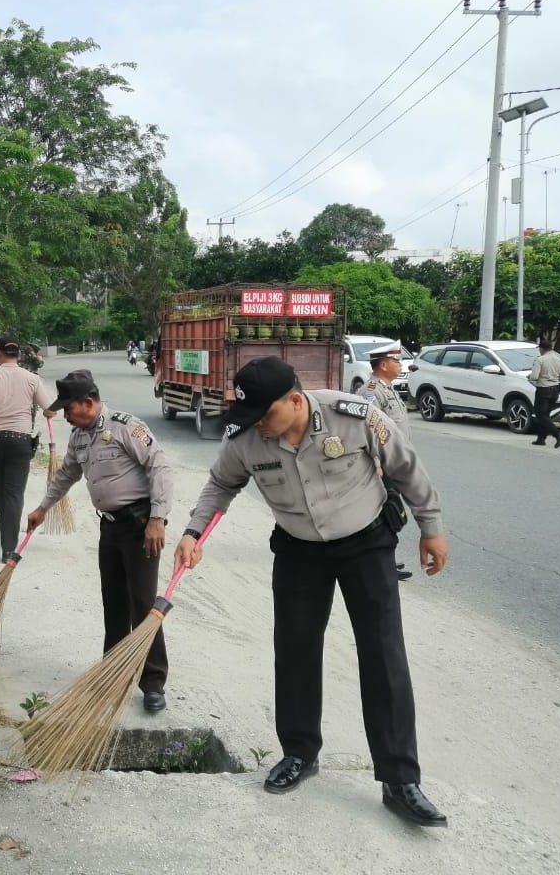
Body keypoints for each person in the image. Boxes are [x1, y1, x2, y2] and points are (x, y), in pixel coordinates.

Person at [173, 355, 449, 828]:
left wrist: (432, 527)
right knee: (296, 652)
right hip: (299, 550)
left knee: (383, 656)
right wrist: (193, 532)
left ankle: (399, 779)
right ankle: (299, 753)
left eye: (266, 414)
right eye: (252, 417)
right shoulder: (244, 439)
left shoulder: (353, 416)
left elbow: (405, 467)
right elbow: (220, 484)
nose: (259, 425)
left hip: (366, 544)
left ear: (295, 400)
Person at [25, 370, 174, 714]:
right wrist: (42, 507)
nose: (64, 415)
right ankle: (112, 674)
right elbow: (67, 474)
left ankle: (152, 682)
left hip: (140, 527)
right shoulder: (79, 437)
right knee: (114, 602)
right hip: (109, 529)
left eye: (68, 408)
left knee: (143, 604)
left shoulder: (125, 426)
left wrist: (157, 519)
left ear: (88, 403)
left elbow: (159, 467)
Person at [0, 335, 55, 561]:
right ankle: (8, 547)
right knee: (14, 493)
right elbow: (51, 409)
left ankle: (7, 537)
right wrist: (45, 411)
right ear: (19, 355)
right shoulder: (32, 378)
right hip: (20, 442)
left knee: (2, 492)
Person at [362, 343, 413, 581]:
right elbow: (368, 428)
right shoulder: (372, 391)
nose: (400, 365)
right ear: (383, 365)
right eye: (396, 361)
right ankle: (383, 563)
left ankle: (386, 560)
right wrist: (377, 463)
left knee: (390, 512)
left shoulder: (387, 388)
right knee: (387, 513)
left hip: (394, 460)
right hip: (383, 463)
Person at [528, 338, 560, 447]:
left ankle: (558, 434)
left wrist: (530, 376)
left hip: (543, 389)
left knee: (540, 414)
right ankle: (541, 438)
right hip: (555, 389)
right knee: (546, 415)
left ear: (542, 349)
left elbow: (534, 377)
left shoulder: (540, 360)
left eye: (539, 349)